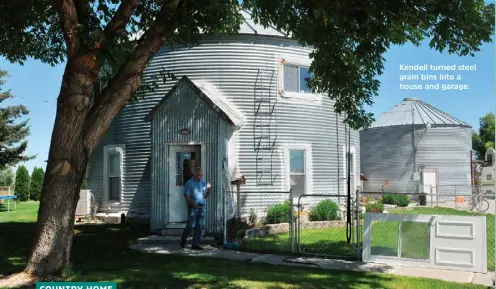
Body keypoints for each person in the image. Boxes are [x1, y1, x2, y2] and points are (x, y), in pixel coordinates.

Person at [180, 167, 211, 250]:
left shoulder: (204, 183)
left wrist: (208, 190)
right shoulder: (189, 183)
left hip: (202, 207)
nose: (200, 177)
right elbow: (186, 196)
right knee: (190, 226)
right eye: (199, 175)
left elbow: (205, 196)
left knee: (199, 227)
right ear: (195, 174)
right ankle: (183, 239)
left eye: (201, 175)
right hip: (193, 207)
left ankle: (195, 244)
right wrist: (194, 205)